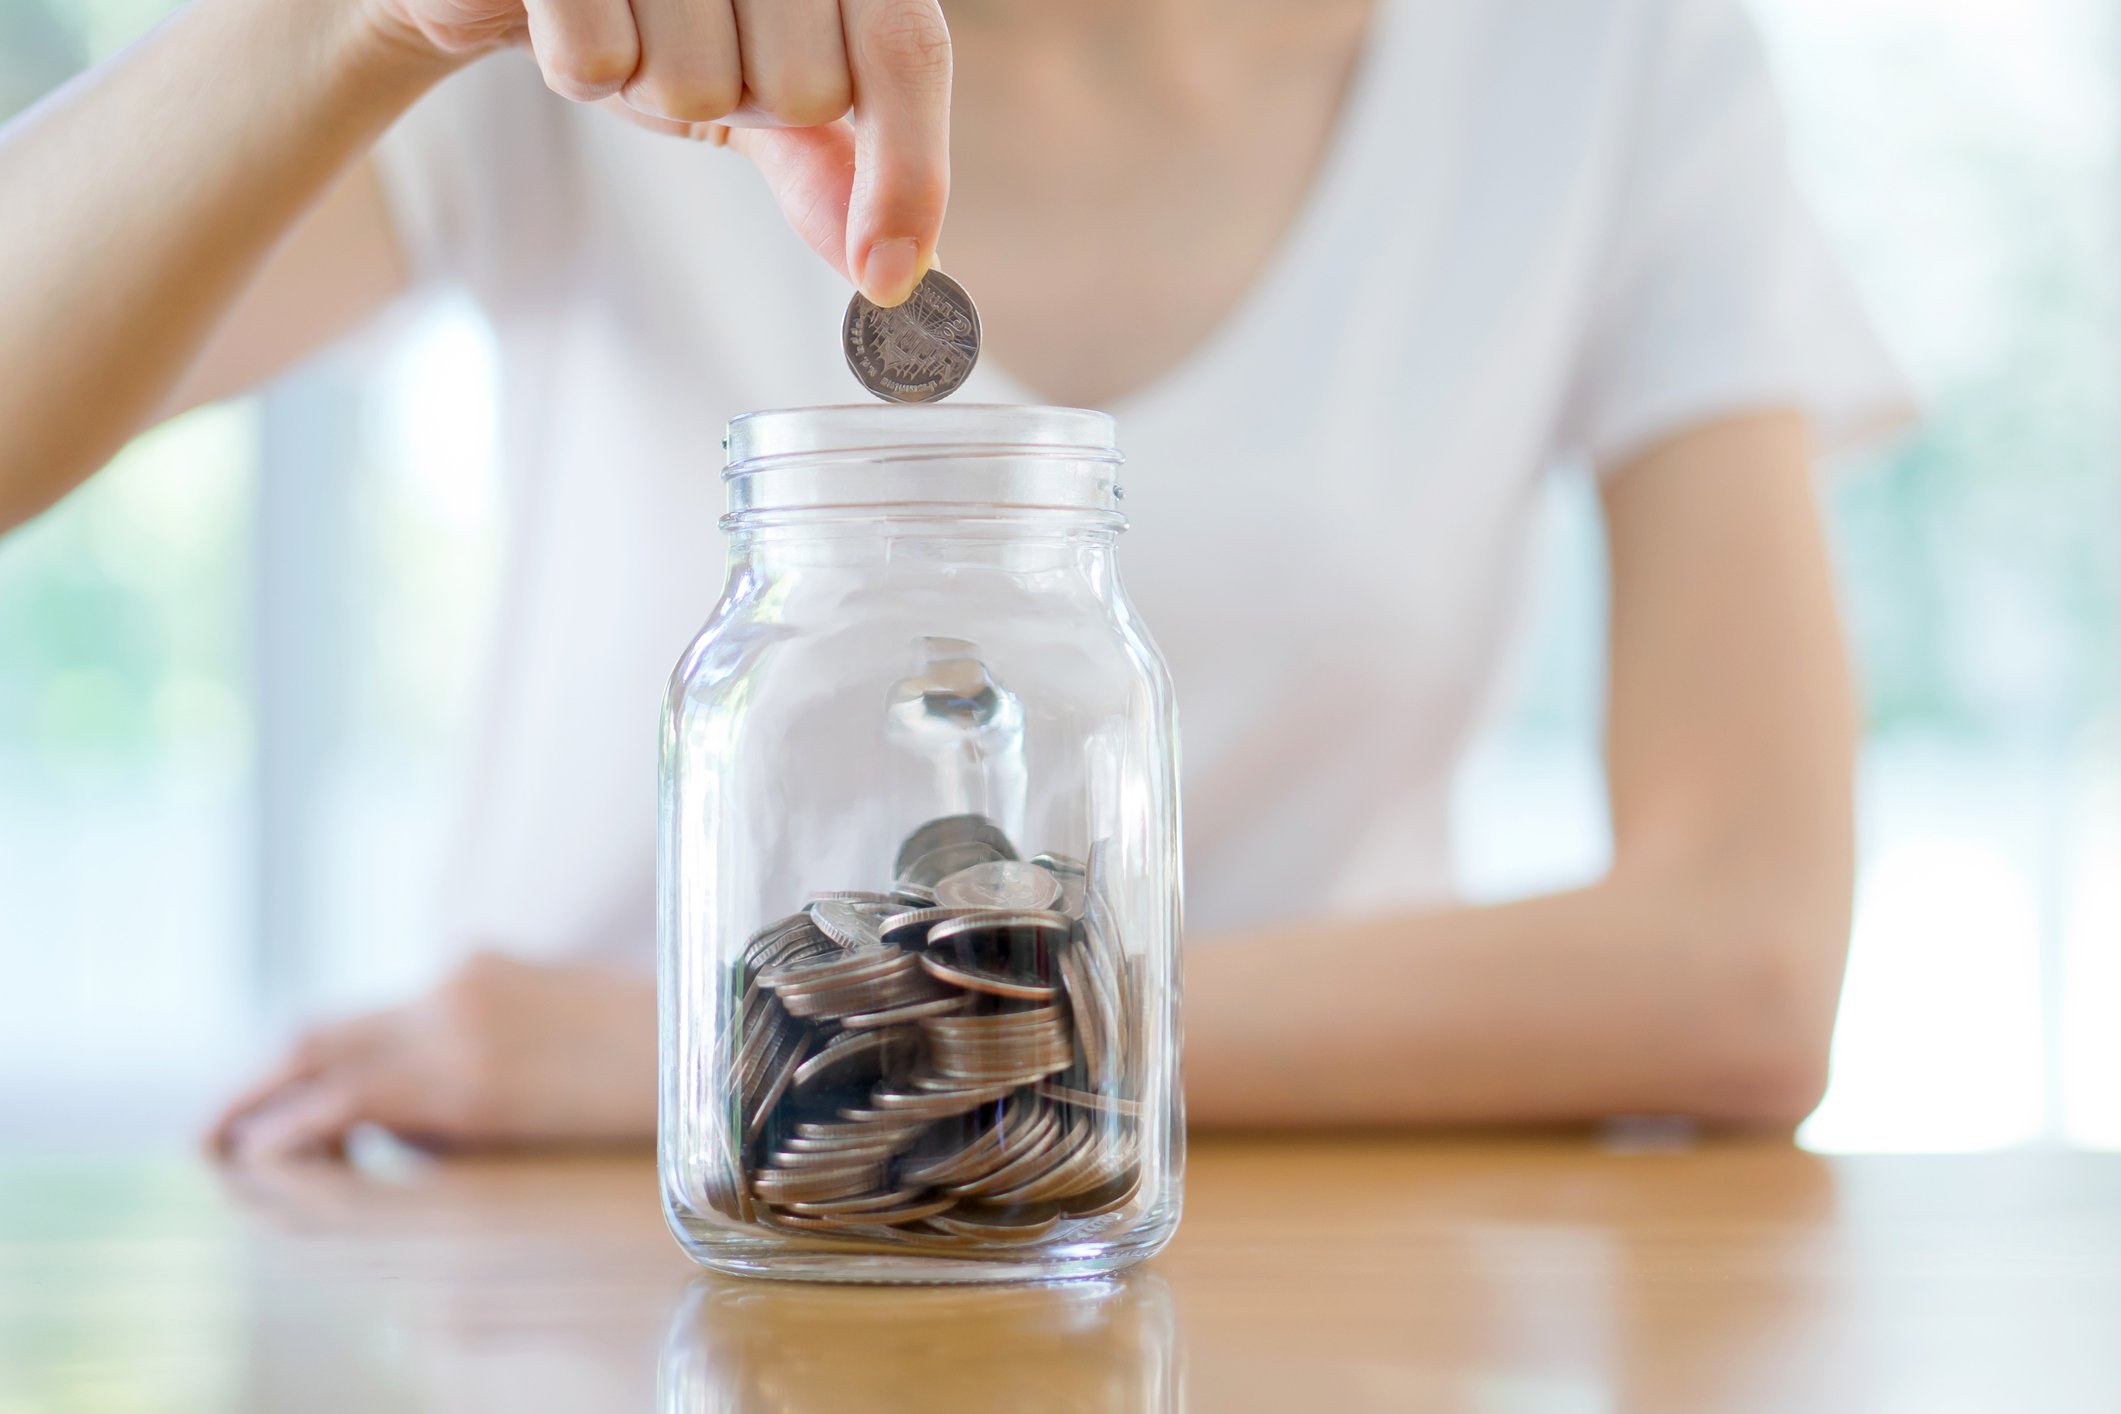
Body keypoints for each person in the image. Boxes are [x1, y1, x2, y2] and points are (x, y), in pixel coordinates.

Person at [0, 0, 1908, 1159]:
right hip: (586, 1231)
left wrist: (751, 1044)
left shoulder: (1601, 51)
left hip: (1301, 1231)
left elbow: (1737, 964)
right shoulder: (616, 35)